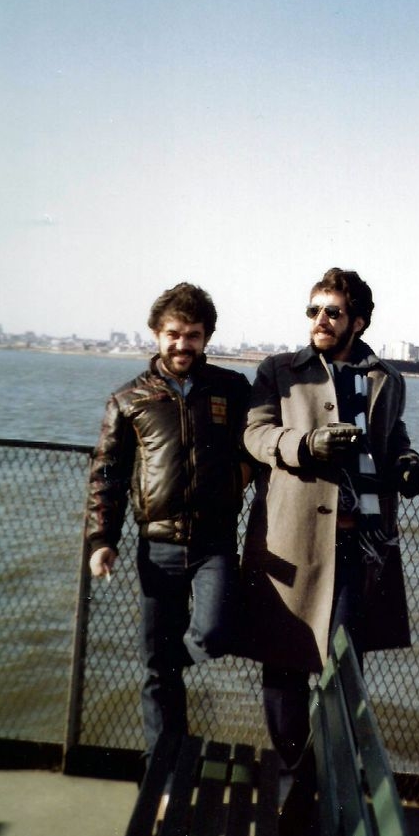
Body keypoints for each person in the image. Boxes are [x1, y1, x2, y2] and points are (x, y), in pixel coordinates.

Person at [241, 267, 419, 791]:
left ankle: (334, 780)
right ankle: (294, 778)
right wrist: (306, 445)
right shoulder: (279, 371)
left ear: (358, 323)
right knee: (283, 664)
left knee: (343, 668)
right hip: (295, 543)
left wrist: (408, 460)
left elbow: (394, 436)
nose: (319, 320)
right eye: (313, 310)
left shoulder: (386, 379)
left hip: (359, 546)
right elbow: (255, 435)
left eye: (332, 312)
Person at [86, 282, 252, 758]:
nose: (183, 345)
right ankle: (165, 766)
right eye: (174, 334)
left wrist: (241, 474)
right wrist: (102, 539)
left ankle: (165, 664)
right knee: (159, 676)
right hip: (156, 547)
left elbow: (256, 446)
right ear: (157, 334)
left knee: (214, 633)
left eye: (193, 335)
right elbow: (107, 474)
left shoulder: (230, 388)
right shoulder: (128, 398)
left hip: (214, 543)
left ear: (207, 338)